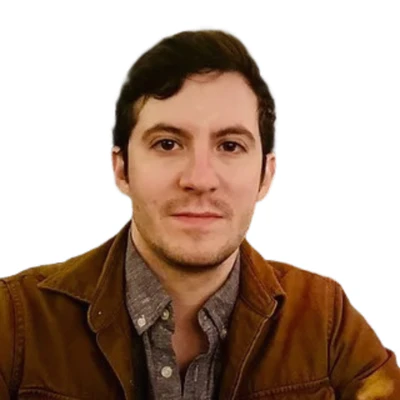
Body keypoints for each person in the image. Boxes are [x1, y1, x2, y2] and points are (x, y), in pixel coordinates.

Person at [0, 29, 399, 400]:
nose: (200, 179)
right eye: (168, 143)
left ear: (265, 176)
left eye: (230, 146)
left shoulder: (325, 318)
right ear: (122, 169)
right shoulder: (15, 322)